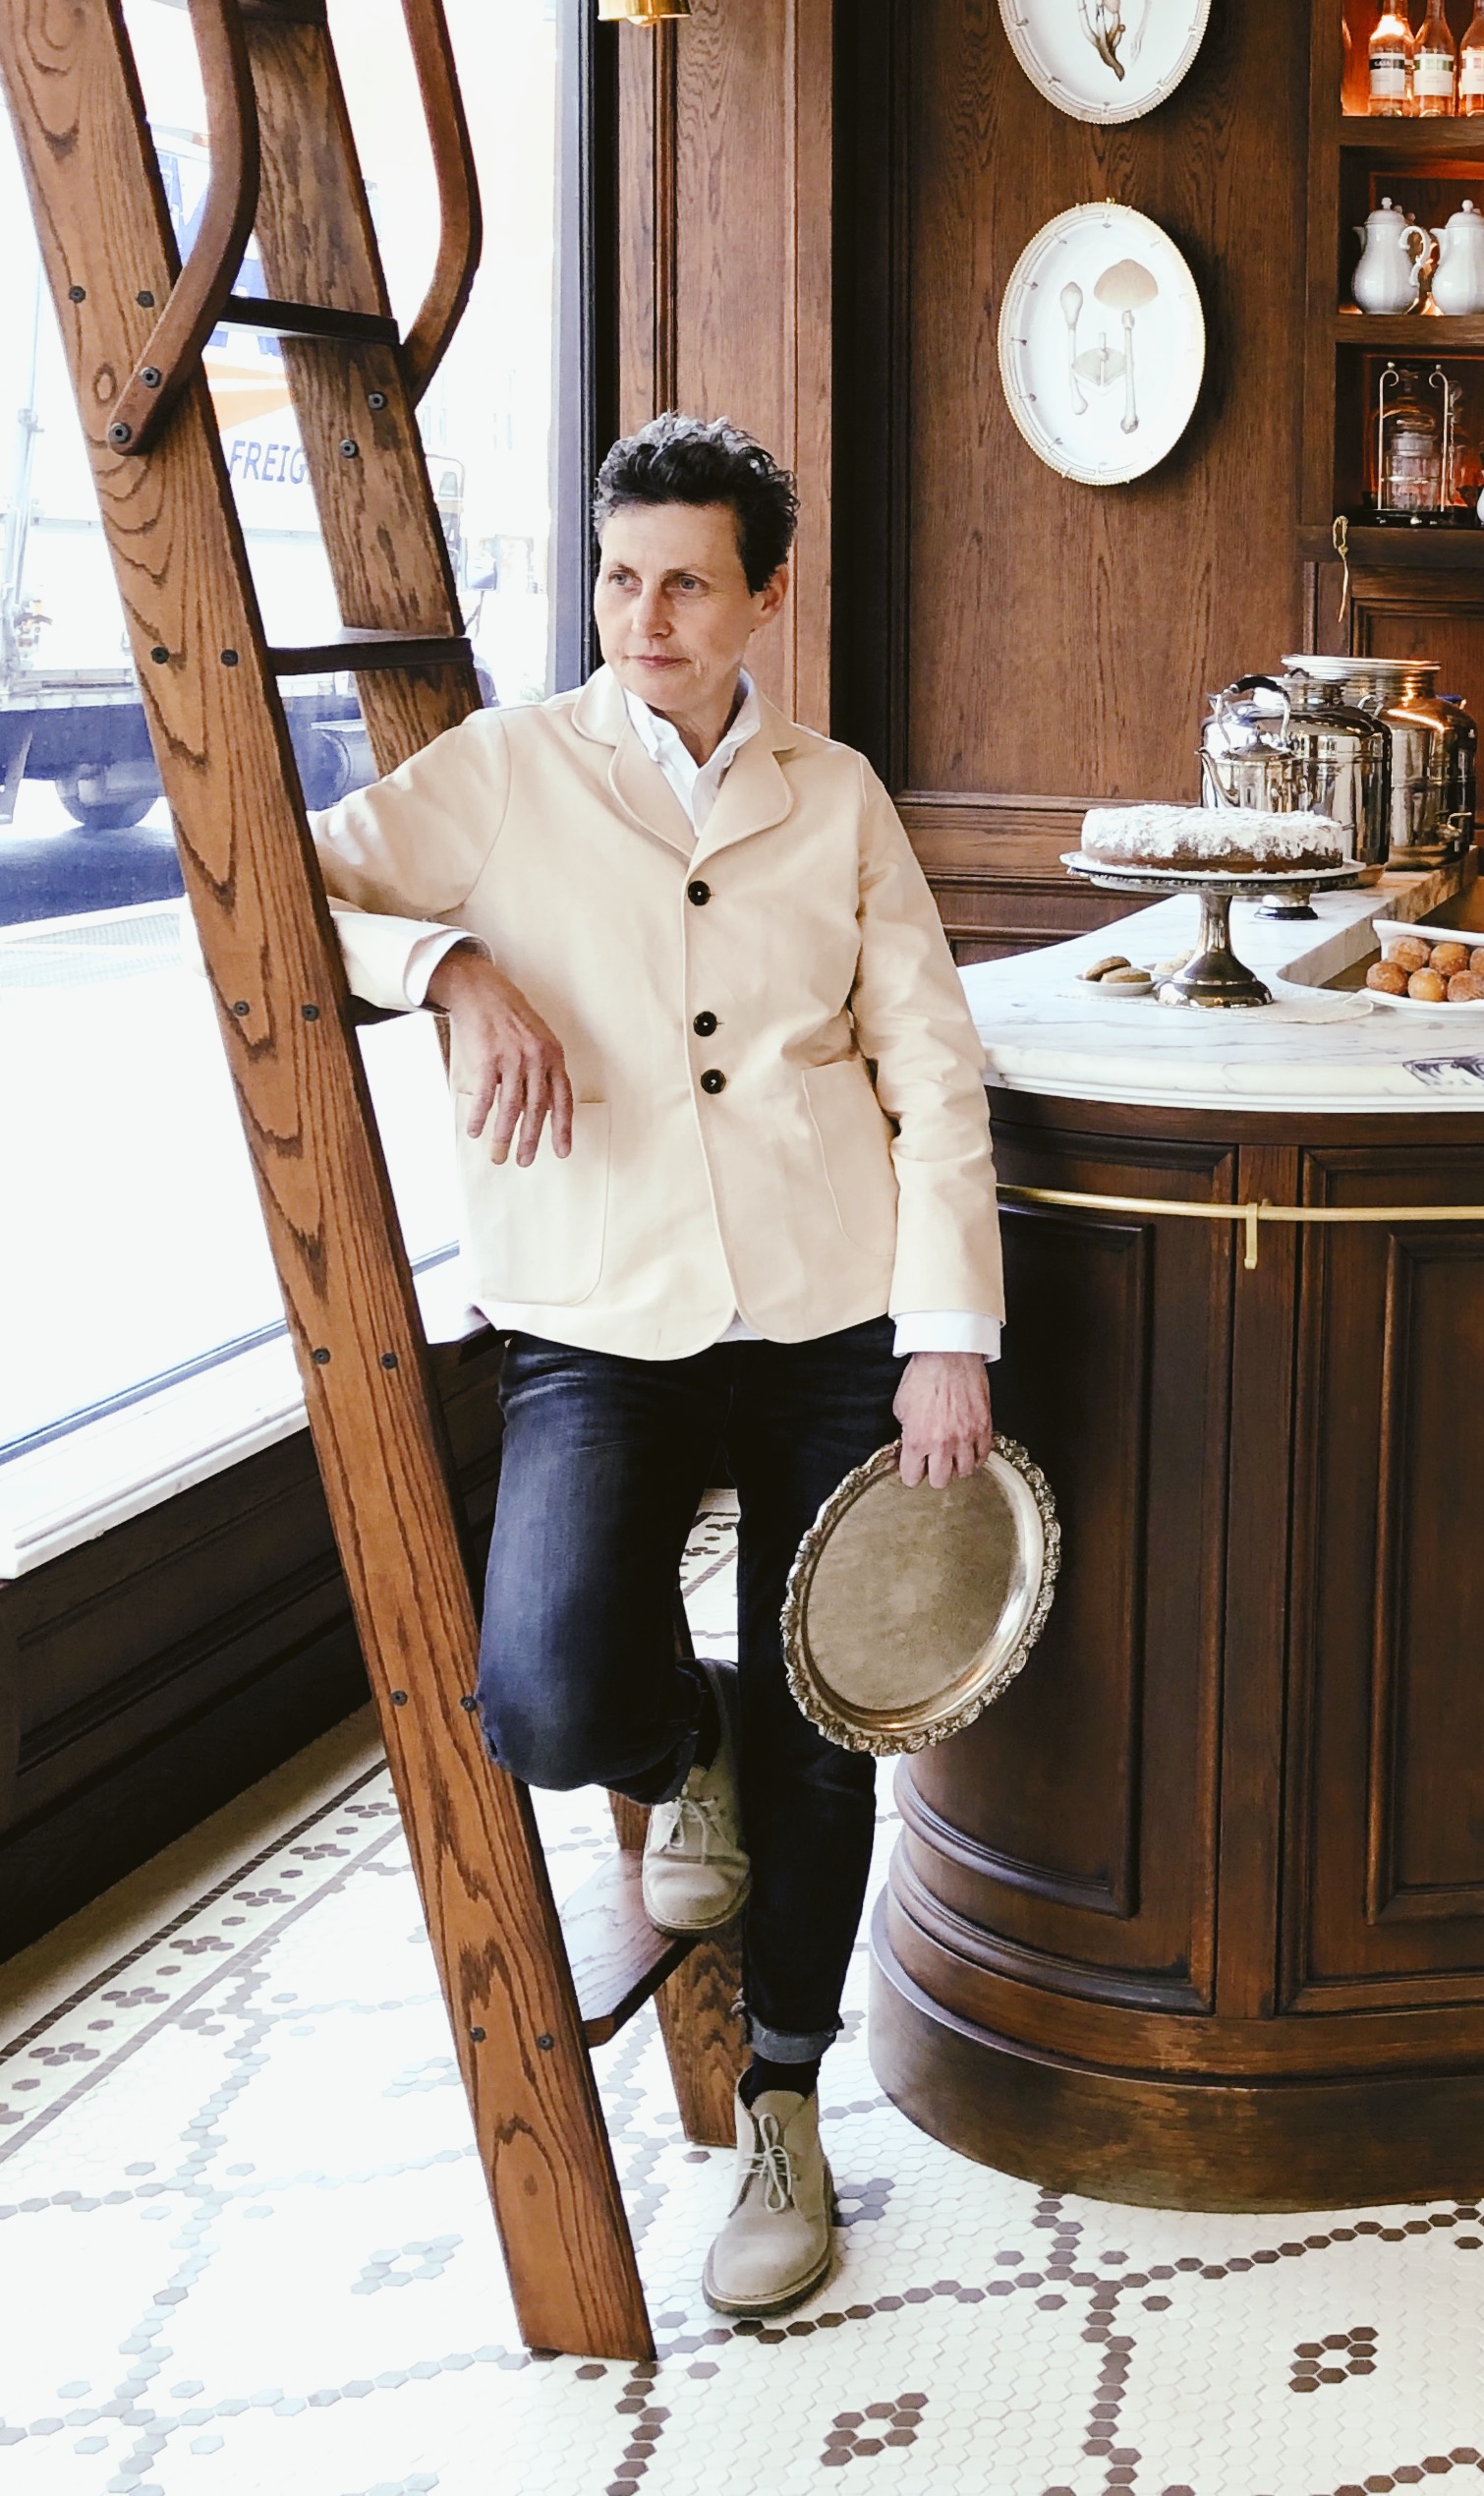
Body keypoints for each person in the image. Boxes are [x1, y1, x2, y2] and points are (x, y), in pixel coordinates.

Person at [312, 411, 1003, 2321]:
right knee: (537, 1687)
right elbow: (301, 880)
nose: (647, 614)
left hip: (827, 1312)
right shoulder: (509, 772)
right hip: (596, 1315)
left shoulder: (836, 793)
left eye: (689, 578)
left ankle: (783, 2101)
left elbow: (931, 1068)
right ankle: (677, 1738)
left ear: (764, 591)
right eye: (621, 575)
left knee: (831, 1716)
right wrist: (454, 966)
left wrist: (946, 1334)